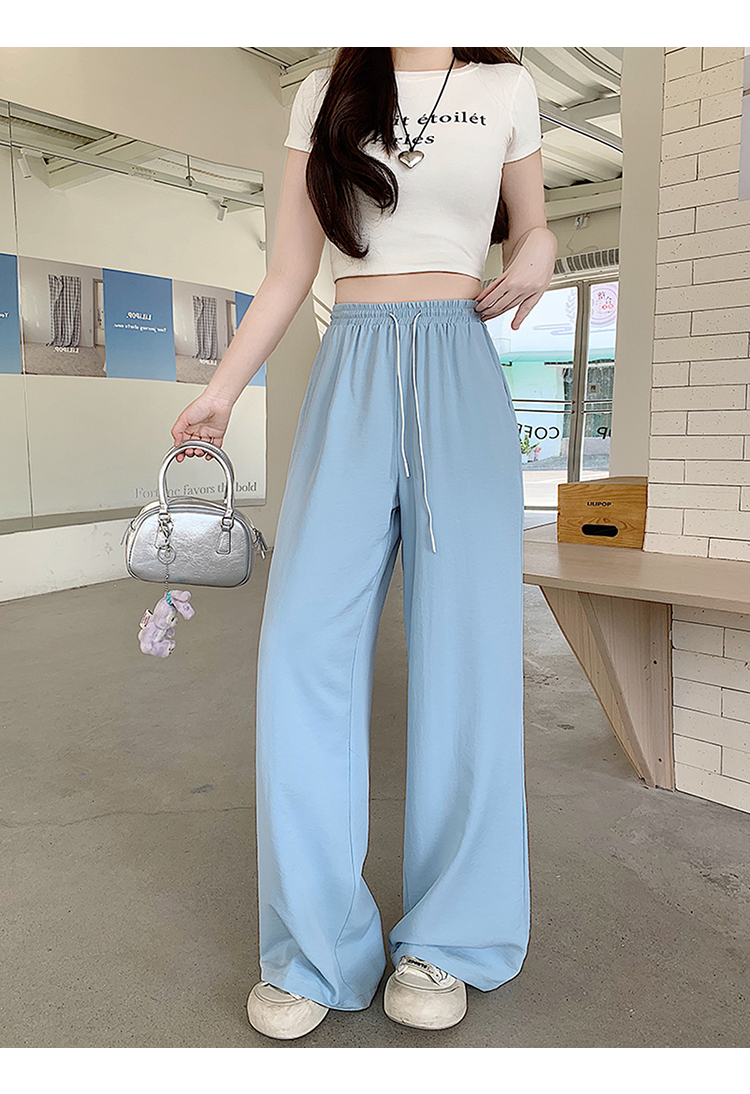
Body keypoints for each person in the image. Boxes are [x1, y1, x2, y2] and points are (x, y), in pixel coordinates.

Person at [171, 46, 557, 1040]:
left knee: (468, 658)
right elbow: (289, 272)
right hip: (350, 365)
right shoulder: (325, 91)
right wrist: (220, 391)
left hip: (460, 364)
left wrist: (542, 250)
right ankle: (315, 945)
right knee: (301, 649)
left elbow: (533, 226)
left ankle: (449, 938)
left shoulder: (506, 88)